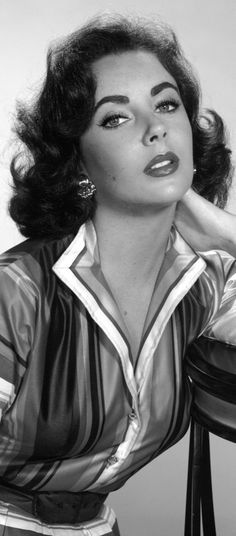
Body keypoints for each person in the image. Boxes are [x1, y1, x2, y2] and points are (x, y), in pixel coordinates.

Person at [0, 14, 235, 536]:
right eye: (115, 119)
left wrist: (228, 235)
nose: (157, 128)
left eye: (167, 104)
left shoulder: (206, 283)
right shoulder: (18, 292)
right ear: (79, 162)